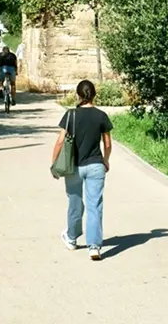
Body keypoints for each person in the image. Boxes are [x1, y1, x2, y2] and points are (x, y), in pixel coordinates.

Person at [52, 80, 112, 260]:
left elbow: (60, 141)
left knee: (75, 203)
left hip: (73, 167)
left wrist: (54, 164)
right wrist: (106, 161)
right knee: (95, 206)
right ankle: (94, 247)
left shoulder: (70, 115)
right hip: (95, 166)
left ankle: (71, 238)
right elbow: (107, 144)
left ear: (78, 95)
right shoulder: (101, 116)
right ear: (94, 94)